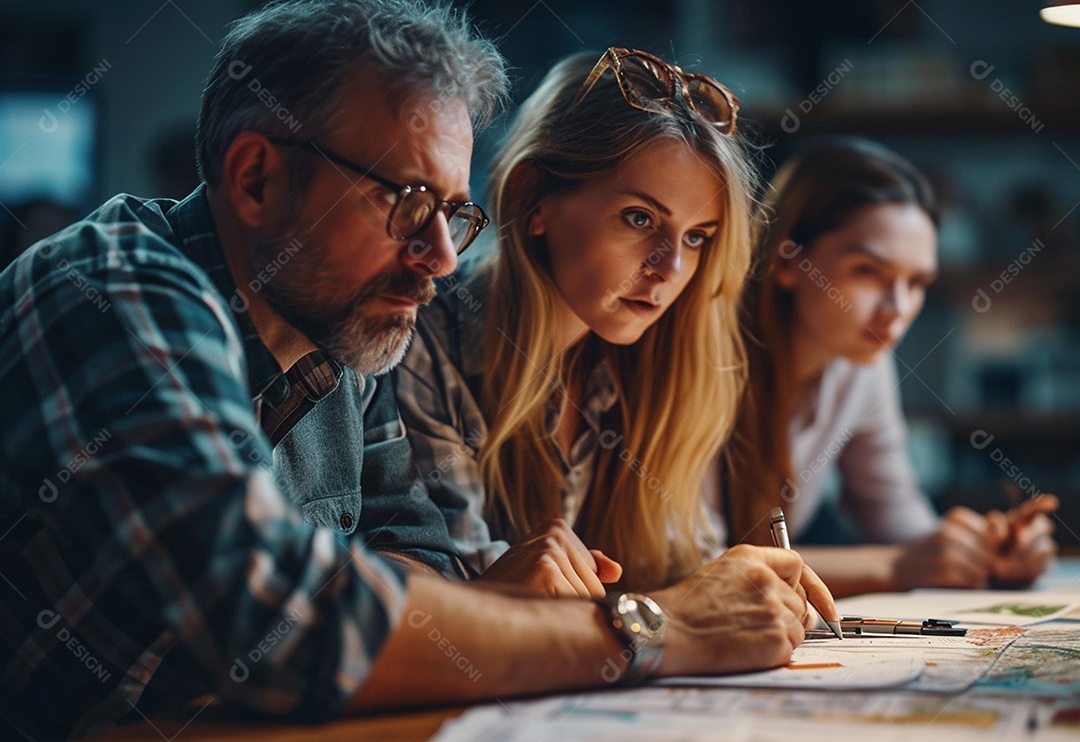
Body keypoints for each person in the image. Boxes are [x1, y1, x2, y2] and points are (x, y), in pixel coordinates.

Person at [0, 3, 837, 739]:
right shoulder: (107, 288)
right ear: (257, 177)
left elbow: (424, 567)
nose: (439, 259)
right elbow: (272, 614)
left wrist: (386, 602)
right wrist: (658, 629)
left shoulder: (345, 334)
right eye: (405, 202)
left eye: (451, 213)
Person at [395, 48, 757, 593]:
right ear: (530, 199)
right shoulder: (420, 343)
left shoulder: (666, 367)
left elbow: (690, 574)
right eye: (640, 219)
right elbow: (464, 607)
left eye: (696, 236)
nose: (672, 270)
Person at [722, 138, 1058, 597]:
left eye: (916, 282)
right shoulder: (709, 360)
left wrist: (980, 551)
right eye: (867, 271)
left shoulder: (862, 362)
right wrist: (900, 566)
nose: (897, 309)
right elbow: (687, 563)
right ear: (789, 263)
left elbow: (896, 518)